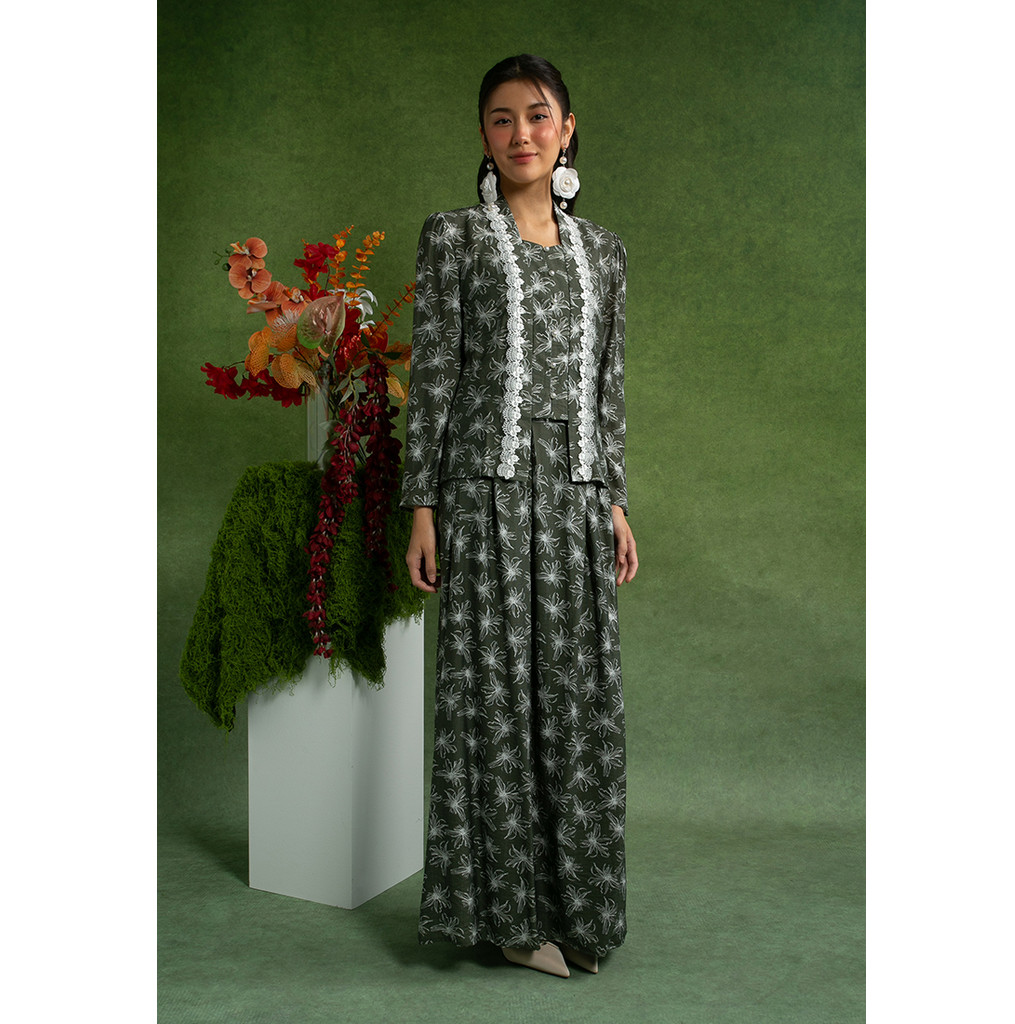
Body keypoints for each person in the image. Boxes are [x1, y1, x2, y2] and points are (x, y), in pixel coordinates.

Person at [401, 54, 638, 979]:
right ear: (484, 137)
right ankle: (506, 918)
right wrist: (423, 506)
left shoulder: (605, 253)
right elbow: (434, 376)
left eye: (538, 116)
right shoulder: (456, 238)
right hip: (486, 496)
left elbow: (608, 386)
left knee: (576, 704)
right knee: (494, 703)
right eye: (501, 119)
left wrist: (615, 498)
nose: (521, 134)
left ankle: (577, 910)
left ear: (567, 129)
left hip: (575, 497)